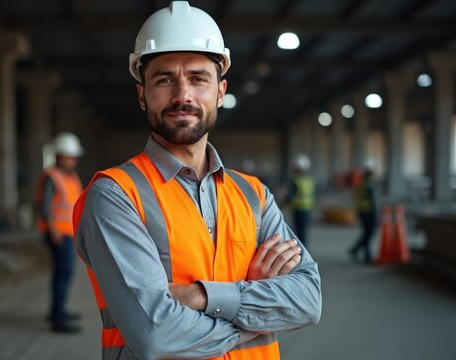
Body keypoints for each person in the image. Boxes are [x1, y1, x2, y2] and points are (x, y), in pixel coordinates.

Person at [73, 2, 321, 358]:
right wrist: (257, 309)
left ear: (220, 91)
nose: (182, 95)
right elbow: (156, 335)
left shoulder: (253, 195)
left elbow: (308, 301)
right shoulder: (115, 196)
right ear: (142, 95)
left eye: (198, 78)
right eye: (164, 79)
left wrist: (202, 295)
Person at [36, 132, 84, 333]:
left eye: (74, 157)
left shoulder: (71, 177)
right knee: (63, 273)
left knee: (62, 274)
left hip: (68, 233)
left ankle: (58, 310)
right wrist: (53, 231)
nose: (73, 160)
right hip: (57, 234)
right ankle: (58, 318)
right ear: (59, 156)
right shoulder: (52, 177)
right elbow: (45, 207)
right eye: (69, 156)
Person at [349, 158, 378, 263]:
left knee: (367, 233)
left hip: (362, 211)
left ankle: (358, 250)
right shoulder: (370, 183)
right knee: (369, 233)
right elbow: (373, 200)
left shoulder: (361, 183)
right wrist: (377, 212)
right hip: (369, 212)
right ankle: (365, 254)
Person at [284, 154, 315, 247]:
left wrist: (281, 205)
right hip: (308, 209)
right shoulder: (310, 180)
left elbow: (290, 197)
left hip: (298, 209)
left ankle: (301, 251)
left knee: (298, 233)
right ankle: (304, 250)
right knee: (304, 232)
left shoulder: (296, 181)